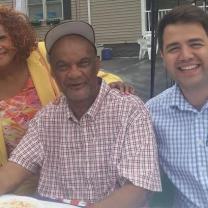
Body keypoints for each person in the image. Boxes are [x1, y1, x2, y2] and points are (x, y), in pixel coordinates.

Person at [0, 20, 161, 207]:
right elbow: (14, 168)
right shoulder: (47, 118)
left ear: (97, 65)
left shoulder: (130, 110)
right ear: (52, 72)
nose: (74, 74)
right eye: (63, 66)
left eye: (83, 63)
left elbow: (139, 187)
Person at [146, 5, 208, 208]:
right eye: (174, 48)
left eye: (195, 44)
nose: (186, 55)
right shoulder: (151, 114)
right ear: (163, 56)